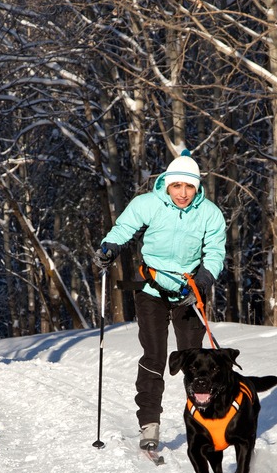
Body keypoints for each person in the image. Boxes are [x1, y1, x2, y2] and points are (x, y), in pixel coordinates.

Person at [95, 149, 226, 452]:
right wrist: (109, 249)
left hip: (189, 292)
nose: (183, 193)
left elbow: (215, 253)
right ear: (167, 183)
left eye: (189, 187)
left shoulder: (209, 213)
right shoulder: (148, 204)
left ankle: (203, 422)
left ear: (197, 187)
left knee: (195, 361)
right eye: (177, 186)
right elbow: (124, 228)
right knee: (154, 356)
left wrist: (202, 283)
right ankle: (149, 423)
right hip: (152, 291)